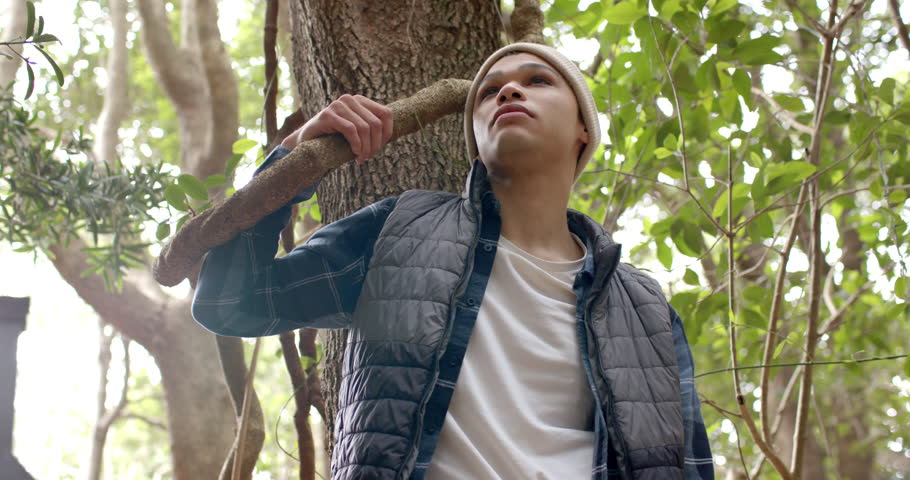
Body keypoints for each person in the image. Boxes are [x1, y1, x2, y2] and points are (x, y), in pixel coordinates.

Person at [193, 42, 714, 480]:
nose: (510, 91)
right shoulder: (401, 231)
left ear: (584, 129)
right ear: (476, 142)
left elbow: (689, 463)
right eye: (490, 91)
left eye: (538, 81)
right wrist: (293, 162)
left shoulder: (644, 307)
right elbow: (231, 302)